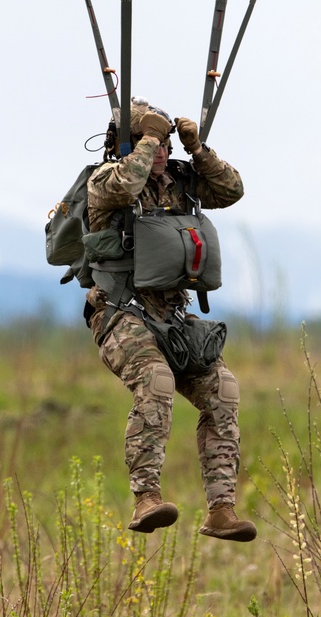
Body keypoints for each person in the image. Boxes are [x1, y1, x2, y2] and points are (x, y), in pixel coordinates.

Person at [83, 97, 256, 542]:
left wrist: (198, 150)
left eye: (163, 141)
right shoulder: (106, 180)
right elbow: (125, 186)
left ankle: (221, 509)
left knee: (223, 391)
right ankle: (146, 498)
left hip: (173, 316)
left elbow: (231, 190)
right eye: (148, 138)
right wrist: (145, 140)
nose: (160, 148)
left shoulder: (182, 183)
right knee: (156, 382)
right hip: (121, 313)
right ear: (127, 141)